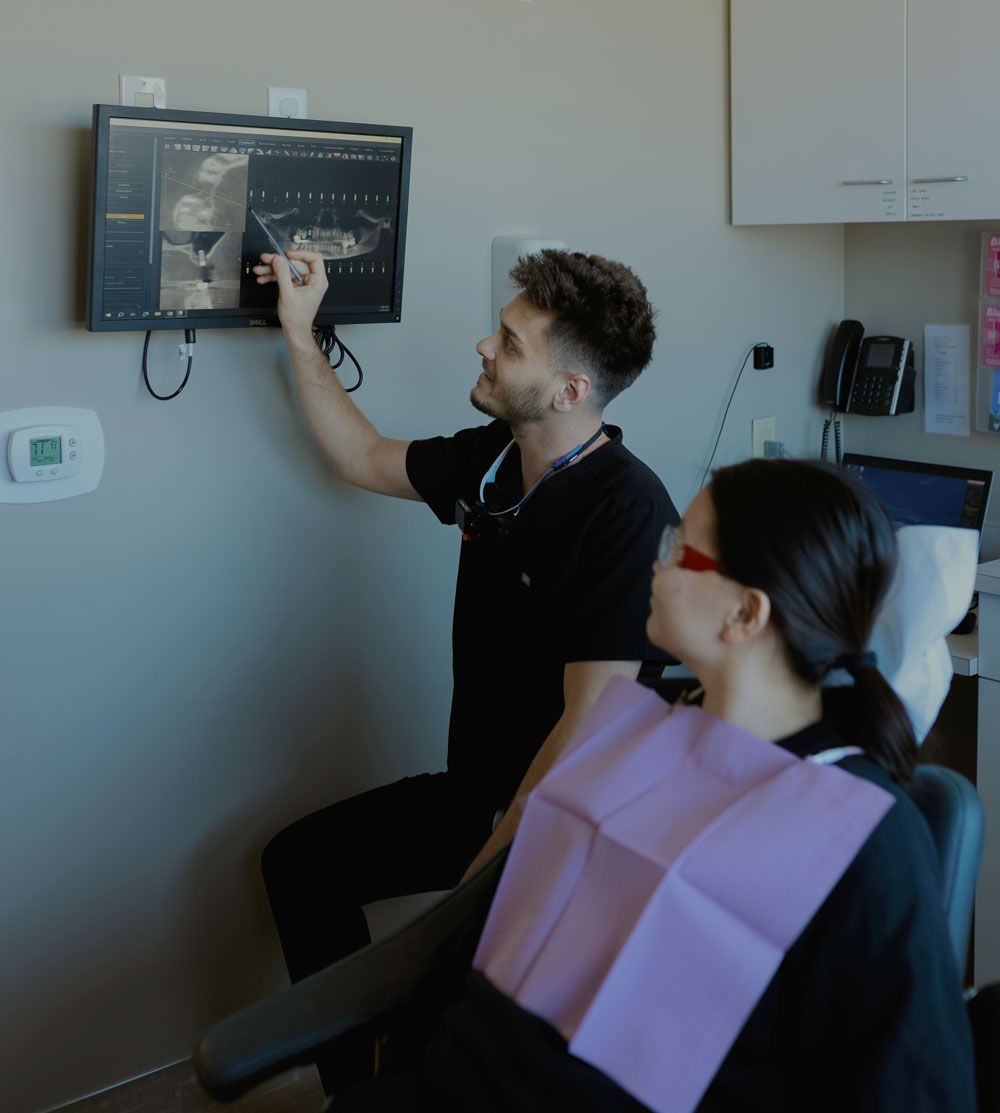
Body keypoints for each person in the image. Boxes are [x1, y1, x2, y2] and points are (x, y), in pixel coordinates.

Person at [332, 458, 976, 1112]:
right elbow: (481, 951)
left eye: (678, 547)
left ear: (745, 613)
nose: (654, 560)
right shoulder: (632, 741)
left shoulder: (861, 835)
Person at [252, 245, 678, 1090]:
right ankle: (356, 1087)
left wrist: (479, 875)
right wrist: (301, 333)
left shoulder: (626, 511)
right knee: (300, 865)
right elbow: (361, 456)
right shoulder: (494, 460)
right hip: (477, 789)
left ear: (569, 391)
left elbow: (584, 733)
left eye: (511, 342)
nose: (485, 346)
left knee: (444, 1013)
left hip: (566, 825)